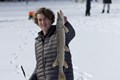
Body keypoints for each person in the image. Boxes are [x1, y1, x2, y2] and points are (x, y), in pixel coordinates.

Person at [29, 7, 75, 80]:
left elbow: (71, 33)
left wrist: (65, 23)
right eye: (40, 20)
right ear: (37, 22)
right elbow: (39, 66)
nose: (43, 22)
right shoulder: (38, 42)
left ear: (50, 19)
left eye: (45, 19)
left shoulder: (58, 33)